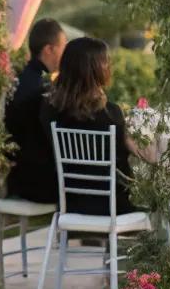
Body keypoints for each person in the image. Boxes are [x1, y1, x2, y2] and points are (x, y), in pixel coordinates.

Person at [39, 36, 147, 215]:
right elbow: (127, 164)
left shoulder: (49, 110)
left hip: (70, 204)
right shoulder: (111, 114)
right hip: (112, 207)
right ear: (98, 70)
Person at [4, 17, 66, 203]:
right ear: (49, 49)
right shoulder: (41, 88)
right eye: (63, 46)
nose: (65, 52)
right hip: (38, 182)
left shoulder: (22, 79)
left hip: (17, 176)